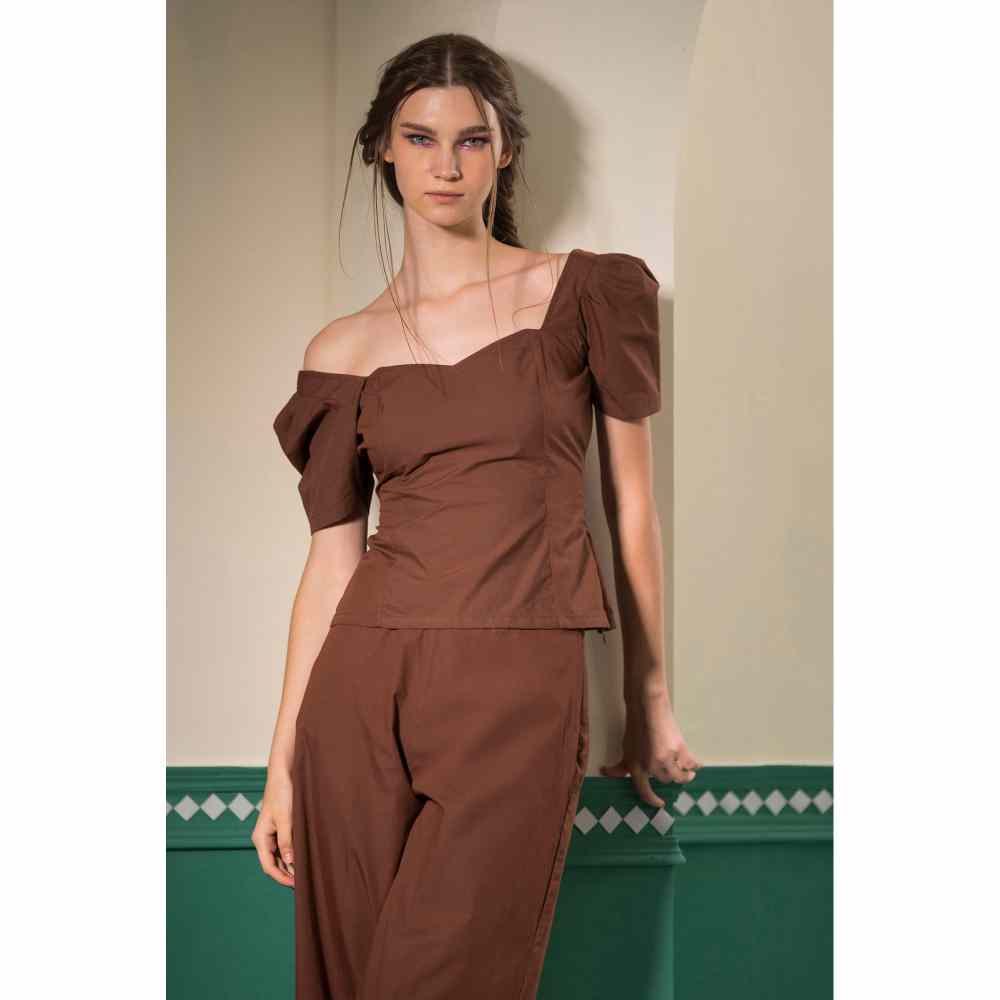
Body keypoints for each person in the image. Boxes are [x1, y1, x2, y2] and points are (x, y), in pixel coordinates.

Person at [252, 31, 701, 1000]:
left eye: (470, 139)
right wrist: (280, 763)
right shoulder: (342, 348)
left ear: (504, 150)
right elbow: (330, 565)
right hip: (360, 688)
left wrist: (649, 695)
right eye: (420, 138)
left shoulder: (581, 291)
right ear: (383, 148)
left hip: (517, 679)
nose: (445, 165)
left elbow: (631, 505)